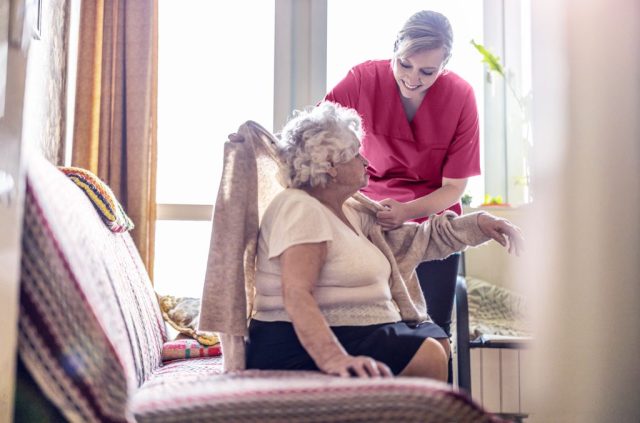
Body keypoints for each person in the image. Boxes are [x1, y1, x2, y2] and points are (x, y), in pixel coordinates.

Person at [245, 102, 522, 379]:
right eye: (356, 154)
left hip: (359, 330)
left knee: (434, 341)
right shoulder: (300, 207)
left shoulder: (353, 211)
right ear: (330, 165)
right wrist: (333, 358)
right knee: (428, 353)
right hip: (295, 342)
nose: (365, 162)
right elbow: (295, 292)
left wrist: (481, 224)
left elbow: (418, 240)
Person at [324, 10, 479, 344]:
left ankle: (436, 396)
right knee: (370, 327)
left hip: (433, 220)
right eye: (404, 64)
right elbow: (316, 135)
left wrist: (407, 212)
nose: (412, 78)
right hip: (370, 216)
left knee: (434, 330)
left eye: (428, 71)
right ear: (395, 48)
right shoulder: (362, 79)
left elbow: (454, 187)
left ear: (445, 63)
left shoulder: (461, 96)